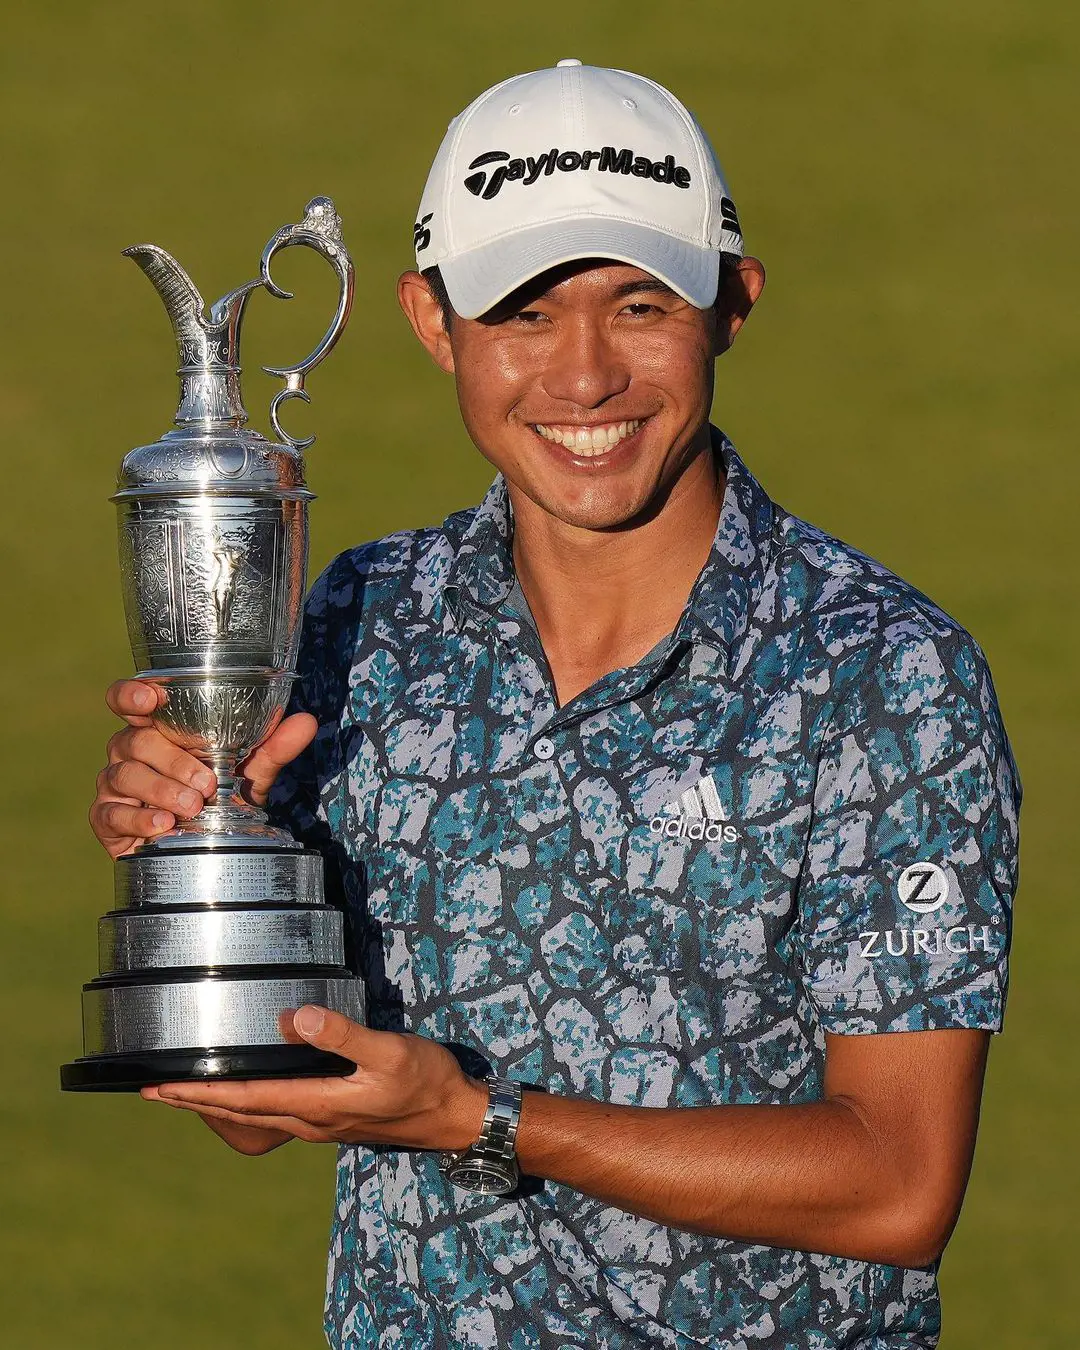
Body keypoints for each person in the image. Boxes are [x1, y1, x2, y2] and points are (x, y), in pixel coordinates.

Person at [89, 60, 1020, 1350]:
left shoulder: (886, 675)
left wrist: (478, 1120)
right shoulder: (359, 621)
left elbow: (899, 1185)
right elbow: (263, 1104)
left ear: (730, 306)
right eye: (522, 312)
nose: (583, 378)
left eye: (638, 304)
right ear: (432, 322)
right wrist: (188, 875)